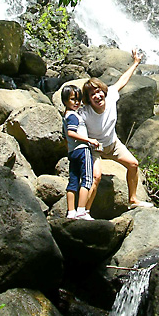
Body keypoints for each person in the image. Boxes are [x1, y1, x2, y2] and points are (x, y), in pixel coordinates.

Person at [80, 48, 153, 210]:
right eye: (92, 94)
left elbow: (123, 80)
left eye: (98, 91)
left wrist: (135, 63)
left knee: (133, 165)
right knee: (96, 177)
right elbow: (72, 127)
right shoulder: (84, 113)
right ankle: (84, 211)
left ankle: (133, 199)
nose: (97, 95)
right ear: (89, 100)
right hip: (94, 149)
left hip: (113, 144)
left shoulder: (111, 95)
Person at [62, 83, 100, 220]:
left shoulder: (65, 116)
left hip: (72, 152)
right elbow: (71, 133)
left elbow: (65, 136)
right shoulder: (73, 116)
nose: (77, 102)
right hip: (83, 150)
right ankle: (81, 211)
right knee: (87, 180)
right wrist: (89, 140)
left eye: (78, 99)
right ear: (65, 101)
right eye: (73, 99)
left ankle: (71, 212)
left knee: (72, 181)